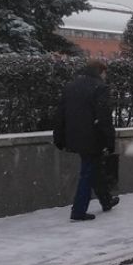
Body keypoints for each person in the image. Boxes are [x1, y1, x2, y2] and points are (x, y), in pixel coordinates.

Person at [53, 59, 119, 221]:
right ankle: (78, 210)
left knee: (94, 168)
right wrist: (110, 141)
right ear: (101, 72)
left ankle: (106, 201)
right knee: (88, 172)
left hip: (74, 137)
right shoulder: (100, 88)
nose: (105, 77)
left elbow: (60, 114)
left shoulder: (71, 86)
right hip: (92, 138)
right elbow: (104, 117)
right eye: (105, 73)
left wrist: (59, 137)